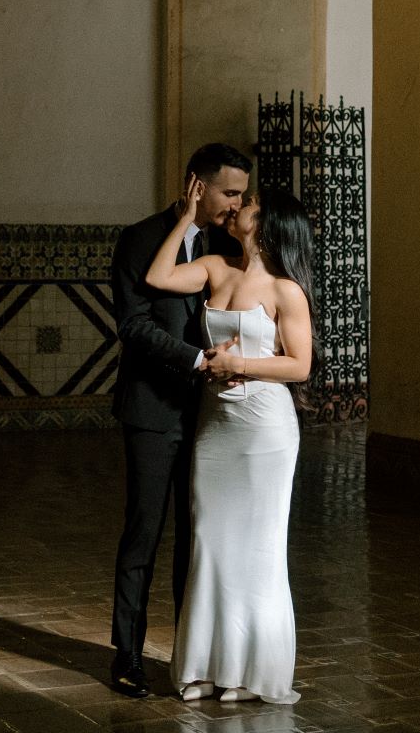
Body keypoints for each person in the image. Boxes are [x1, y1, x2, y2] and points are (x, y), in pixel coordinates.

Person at [144, 182, 314, 706]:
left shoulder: (287, 291)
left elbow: (299, 366)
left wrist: (240, 363)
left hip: (265, 430)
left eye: (252, 205)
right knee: (210, 542)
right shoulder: (217, 267)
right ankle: (202, 667)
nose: (240, 207)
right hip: (216, 427)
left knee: (257, 550)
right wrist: (187, 218)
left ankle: (248, 673)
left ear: (270, 225)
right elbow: (158, 276)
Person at [107, 143, 251, 699]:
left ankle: (191, 661)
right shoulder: (140, 240)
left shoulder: (227, 244)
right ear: (197, 185)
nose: (236, 205)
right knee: (144, 535)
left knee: (198, 540)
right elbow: (134, 327)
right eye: (229, 192)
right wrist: (197, 360)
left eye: (242, 194)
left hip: (210, 418)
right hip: (150, 409)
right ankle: (127, 658)